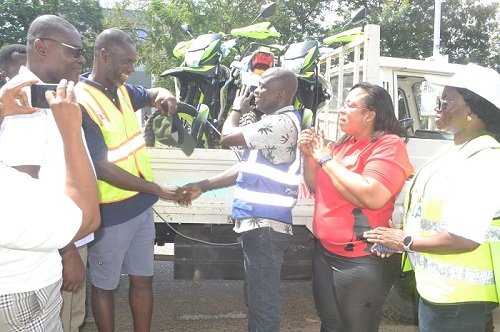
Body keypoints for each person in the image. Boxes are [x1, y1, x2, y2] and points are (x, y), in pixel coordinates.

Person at [364, 63, 500, 332]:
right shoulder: (455, 151)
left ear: (473, 111)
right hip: (438, 290)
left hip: (460, 300)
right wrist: (401, 237)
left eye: (446, 101)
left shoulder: (484, 160)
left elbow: (465, 237)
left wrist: (405, 241)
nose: (437, 106)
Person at [76, 28, 187, 332]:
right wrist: (157, 189)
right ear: (104, 55)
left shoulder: (123, 89)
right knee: (105, 287)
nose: (131, 69)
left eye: (133, 62)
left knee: (143, 279)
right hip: (110, 212)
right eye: (126, 61)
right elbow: (102, 167)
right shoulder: (80, 99)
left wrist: (165, 95)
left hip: (140, 209)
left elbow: (152, 94)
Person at [182, 67, 302, 332]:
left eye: (262, 88)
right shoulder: (276, 121)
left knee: (262, 303)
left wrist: (236, 108)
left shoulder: (280, 123)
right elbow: (246, 166)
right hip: (261, 227)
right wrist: (205, 185)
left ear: (281, 94)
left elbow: (226, 137)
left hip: (265, 228)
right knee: (257, 300)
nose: (256, 92)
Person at [0, 15, 98, 332]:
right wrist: (67, 252)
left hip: (56, 237)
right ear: (41, 48)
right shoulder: (25, 107)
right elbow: (18, 198)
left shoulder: (50, 97)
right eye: (75, 51)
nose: (82, 60)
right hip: (48, 249)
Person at [297, 82, 414, 332]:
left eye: (349, 105)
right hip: (327, 252)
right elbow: (318, 188)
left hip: (361, 258)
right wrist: (310, 155)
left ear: (369, 115)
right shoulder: (345, 143)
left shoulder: (389, 145)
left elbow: (372, 196)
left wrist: (325, 158)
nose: (341, 110)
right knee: (331, 325)